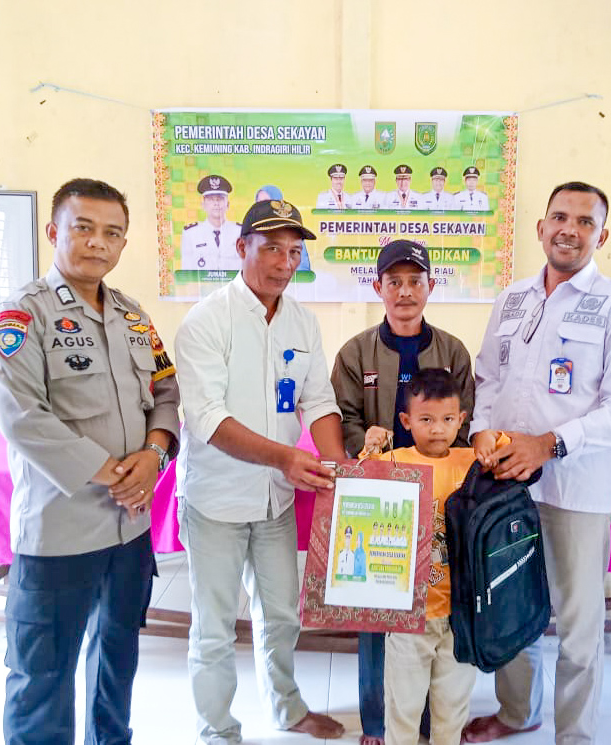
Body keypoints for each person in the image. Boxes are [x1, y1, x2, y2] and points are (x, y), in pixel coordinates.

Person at [0, 177, 181, 745]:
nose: (98, 242)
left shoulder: (135, 317)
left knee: (116, 662)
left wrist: (154, 455)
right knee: (42, 675)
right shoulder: (21, 317)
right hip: (60, 533)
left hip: (128, 531)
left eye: (112, 233)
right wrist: (117, 473)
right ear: (53, 232)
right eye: (84, 228)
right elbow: (23, 416)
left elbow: (166, 392)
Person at [465, 181, 611, 745]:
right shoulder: (512, 299)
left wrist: (548, 444)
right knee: (511, 604)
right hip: (507, 487)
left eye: (585, 221)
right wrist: (480, 431)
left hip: (577, 490)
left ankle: (575, 735)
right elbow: (487, 378)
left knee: (577, 623)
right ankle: (517, 712)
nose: (570, 229)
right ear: (541, 227)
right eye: (560, 217)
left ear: (602, 235)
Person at [174, 198, 346, 744]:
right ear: (241, 247)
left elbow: (318, 401)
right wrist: (285, 458)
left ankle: (287, 709)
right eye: (271, 248)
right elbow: (206, 418)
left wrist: (342, 472)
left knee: (281, 615)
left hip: (275, 499)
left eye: (293, 252)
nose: (283, 262)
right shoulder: (207, 321)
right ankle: (217, 730)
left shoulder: (301, 321)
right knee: (215, 627)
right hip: (216, 501)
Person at [331, 238, 474, 745]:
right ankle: (379, 723)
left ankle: (436, 722)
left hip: (440, 499)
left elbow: (465, 422)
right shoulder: (356, 352)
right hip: (382, 499)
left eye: (415, 281)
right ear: (378, 287)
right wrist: (363, 442)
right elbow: (344, 415)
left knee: (440, 611)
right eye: (395, 282)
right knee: (379, 610)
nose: (405, 291)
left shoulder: (453, 351)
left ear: (431, 286)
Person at [358, 369, 485, 745]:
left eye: (447, 419)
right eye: (426, 419)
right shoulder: (394, 460)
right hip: (408, 616)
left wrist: (492, 437)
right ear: (406, 421)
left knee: (452, 710)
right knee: (403, 709)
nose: (437, 429)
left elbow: (505, 450)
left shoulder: (472, 462)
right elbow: (358, 490)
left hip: (461, 616)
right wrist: (370, 447)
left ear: (461, 420)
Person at [181, 174, 243, 271]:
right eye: (210, 199)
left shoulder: (240, 232)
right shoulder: (191, 234)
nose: (216, 203)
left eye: (220, 199)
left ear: (228, 204)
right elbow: (187, 271)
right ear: (203, 205)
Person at [255, 185, 311, 272]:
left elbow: (303, 269)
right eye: (259, 203)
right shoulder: (250, 232)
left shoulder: (292, 233)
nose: (262, 207)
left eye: (266, 202)